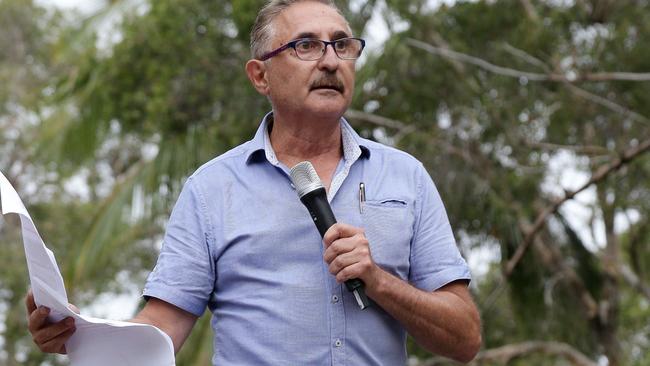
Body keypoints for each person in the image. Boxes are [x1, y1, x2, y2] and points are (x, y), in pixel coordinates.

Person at [26, 0, 482, 364]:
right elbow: (161, 330)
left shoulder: (405, 176)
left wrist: (378, 281)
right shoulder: (212, 189)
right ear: (260, 75)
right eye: (306, 46)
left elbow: (464, 338)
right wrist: (82, 337)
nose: (329, 61)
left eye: (341, 44)